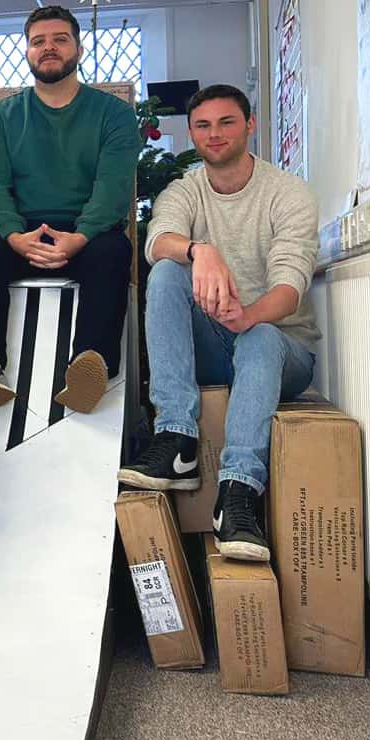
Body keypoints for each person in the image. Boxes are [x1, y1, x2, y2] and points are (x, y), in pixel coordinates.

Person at [117, 85, 318, 563]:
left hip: (282, 352)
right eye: (203, 126)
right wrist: (199, 251)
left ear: (250, 125)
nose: (215, 134)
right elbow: (158, 241)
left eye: (227, 122)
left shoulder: (288, 194)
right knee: (166, 270)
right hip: (215, 343)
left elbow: (290, 291)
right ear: (191, 133)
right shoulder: (185, 191)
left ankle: (238, 495)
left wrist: (247, 315)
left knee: (263, 336)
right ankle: (177, 438)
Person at [0, 4, 141, 414]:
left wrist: (80, 237)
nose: (48, 48)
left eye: (59, 39)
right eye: (38, 42)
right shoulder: (2, 117)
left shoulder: (114, 114)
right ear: (28, 52)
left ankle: (91, 364)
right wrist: (15, 236)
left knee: (113, 252)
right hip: (23, 231)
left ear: (79, 49)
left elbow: (113, 187)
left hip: (90, 232)